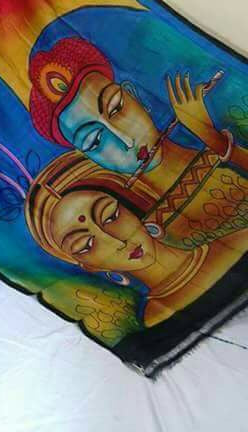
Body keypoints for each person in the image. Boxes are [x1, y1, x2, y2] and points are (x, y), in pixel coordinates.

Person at [24, 150, 248, 329]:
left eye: (110, 216)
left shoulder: (240, 241)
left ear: (134, 207)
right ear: (88, 266)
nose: (116, 241)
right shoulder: (155, 322)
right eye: (86, 245)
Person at [29, 36, 248, 199]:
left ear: (132, 93)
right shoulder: (148, 228)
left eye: (116, 108)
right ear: (87, 157)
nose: (126, 140)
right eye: (94, 141)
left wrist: (209, 135)